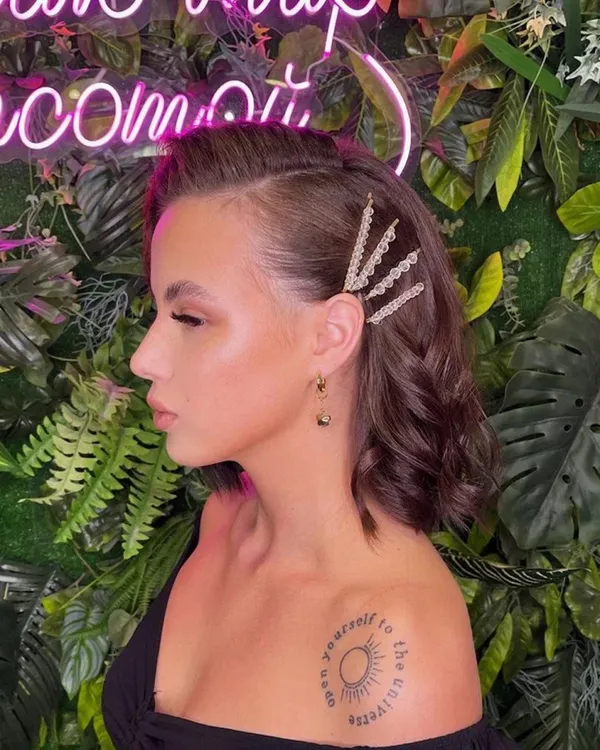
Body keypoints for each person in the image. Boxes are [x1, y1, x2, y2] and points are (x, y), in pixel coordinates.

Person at [101, 120, 520, 749]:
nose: (144, 358)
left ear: (329, 336)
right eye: (157, 310)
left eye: (190, 318)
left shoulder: (397, 652)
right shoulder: (224, 520)